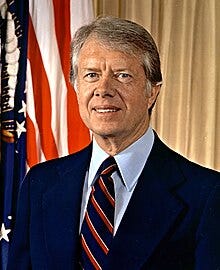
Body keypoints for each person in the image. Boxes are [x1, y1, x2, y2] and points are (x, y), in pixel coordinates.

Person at [7, 16, 220, 270]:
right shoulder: (40, 184)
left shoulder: (207, 195)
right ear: (76, 87)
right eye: (91, 75)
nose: (103, 89)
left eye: (122, 75)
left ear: (152, 91)